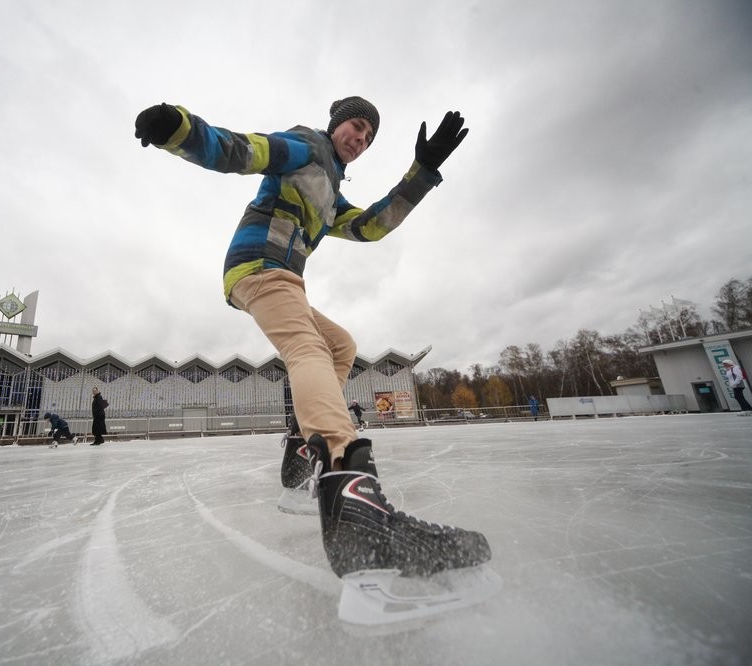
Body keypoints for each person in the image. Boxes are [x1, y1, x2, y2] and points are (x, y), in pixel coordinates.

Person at [134, 96, 490, 577]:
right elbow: (244, 150)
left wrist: (421, 172)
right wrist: (178, 129)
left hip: (281, 277)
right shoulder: (307, 147)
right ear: (337, 124)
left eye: (368, 137)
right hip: (260, 265)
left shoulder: (332, 187)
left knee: (339, 344)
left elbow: (370, 227)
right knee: (307, 349)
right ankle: (352, 493)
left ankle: (302, 456)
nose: (360, 140)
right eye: (356, 128)